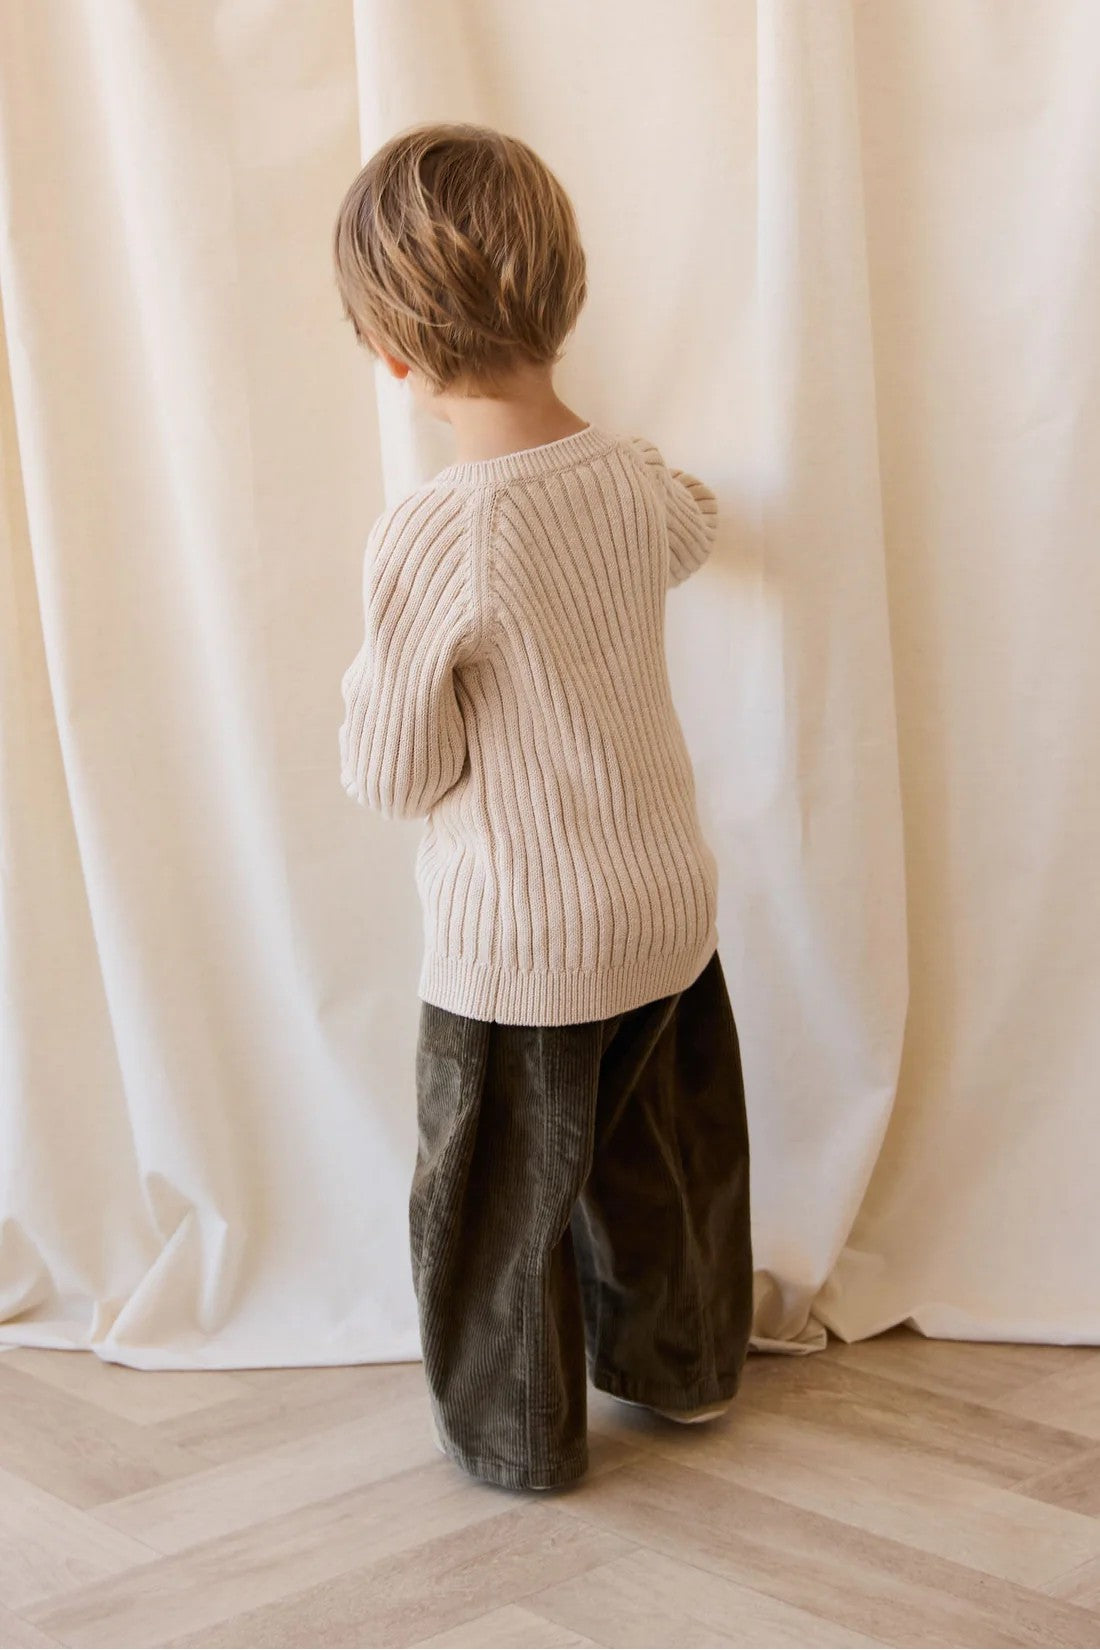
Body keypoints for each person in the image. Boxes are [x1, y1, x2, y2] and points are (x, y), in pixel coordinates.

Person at [332, 123, 753, 1492]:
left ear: (391, 346)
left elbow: (393, 774)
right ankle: (686, 1370)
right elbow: (693, 525)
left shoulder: (435, 529)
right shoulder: (627, 476)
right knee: (661, 1164)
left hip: (523, 945)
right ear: (565, 291)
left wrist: (392, 685)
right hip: (664, 904)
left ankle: (517, 1439)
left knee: (493, 1212)